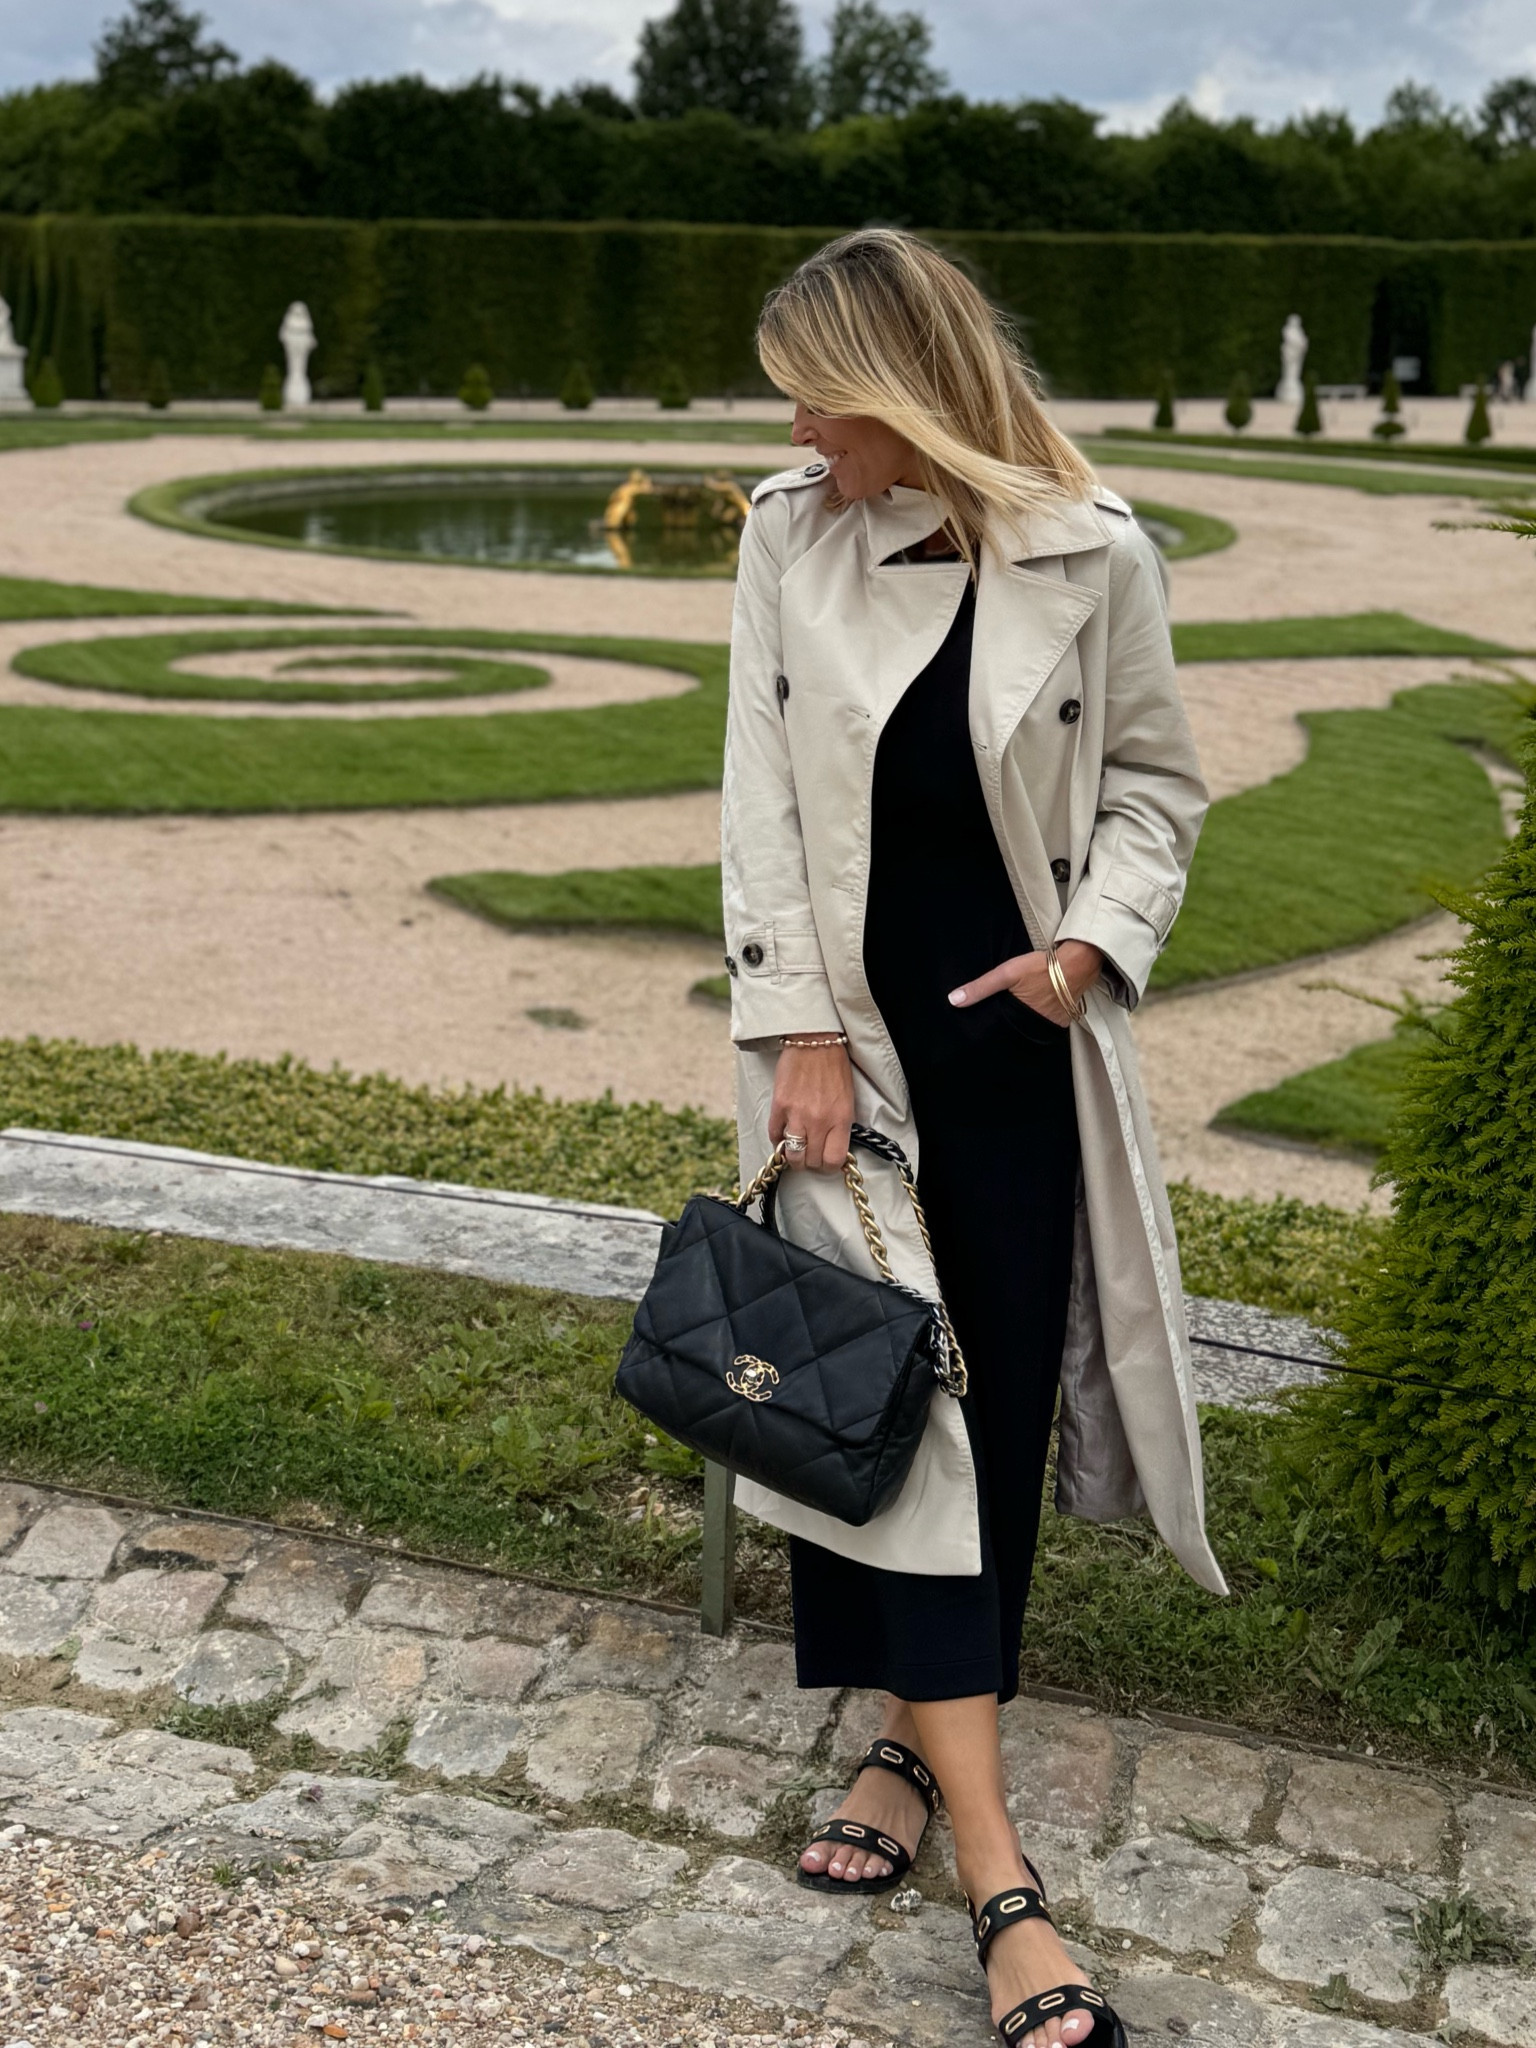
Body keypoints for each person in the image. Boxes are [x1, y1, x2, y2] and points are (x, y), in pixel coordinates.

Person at [719, 228, 1226, 2048]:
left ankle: (901, 1752)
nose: (792, 422)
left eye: (818, 391)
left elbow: (1160, 783)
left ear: (907, 394)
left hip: (1015, 1044)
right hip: (838, 1054)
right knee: (869, 1404)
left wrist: (1090, 947)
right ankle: (1000, 1877)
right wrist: (797, 1031)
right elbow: (757, 793)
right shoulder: (792, 530)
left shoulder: (1099, 554)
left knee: (987, 1408)